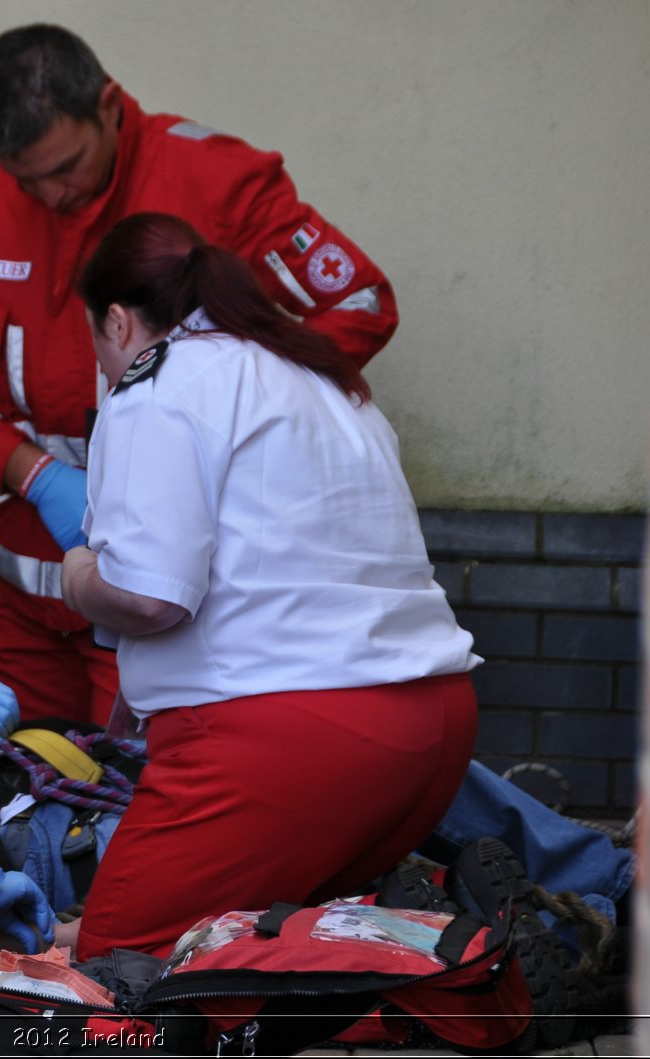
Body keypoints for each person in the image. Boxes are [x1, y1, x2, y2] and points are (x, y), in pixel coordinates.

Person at [0, 24, 396, 725]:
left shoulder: (214, 179)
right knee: (1, 806)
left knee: (137, 812)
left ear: (108, 104)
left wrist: (231, 406)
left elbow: (362, 302)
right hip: (24, 611)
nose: (51, 194)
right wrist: (33, 474)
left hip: (160, 614)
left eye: (66, 165)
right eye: (25, 178)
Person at [62, 212, 475, 961]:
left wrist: (79, 575)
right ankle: (439, 959)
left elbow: (151, 596)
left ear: (118, 321)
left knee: (122, 961)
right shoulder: (316, 372)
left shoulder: (159, 382)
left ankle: (453, 981)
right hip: (431, 727)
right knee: (259, 943)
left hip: (288, 737)